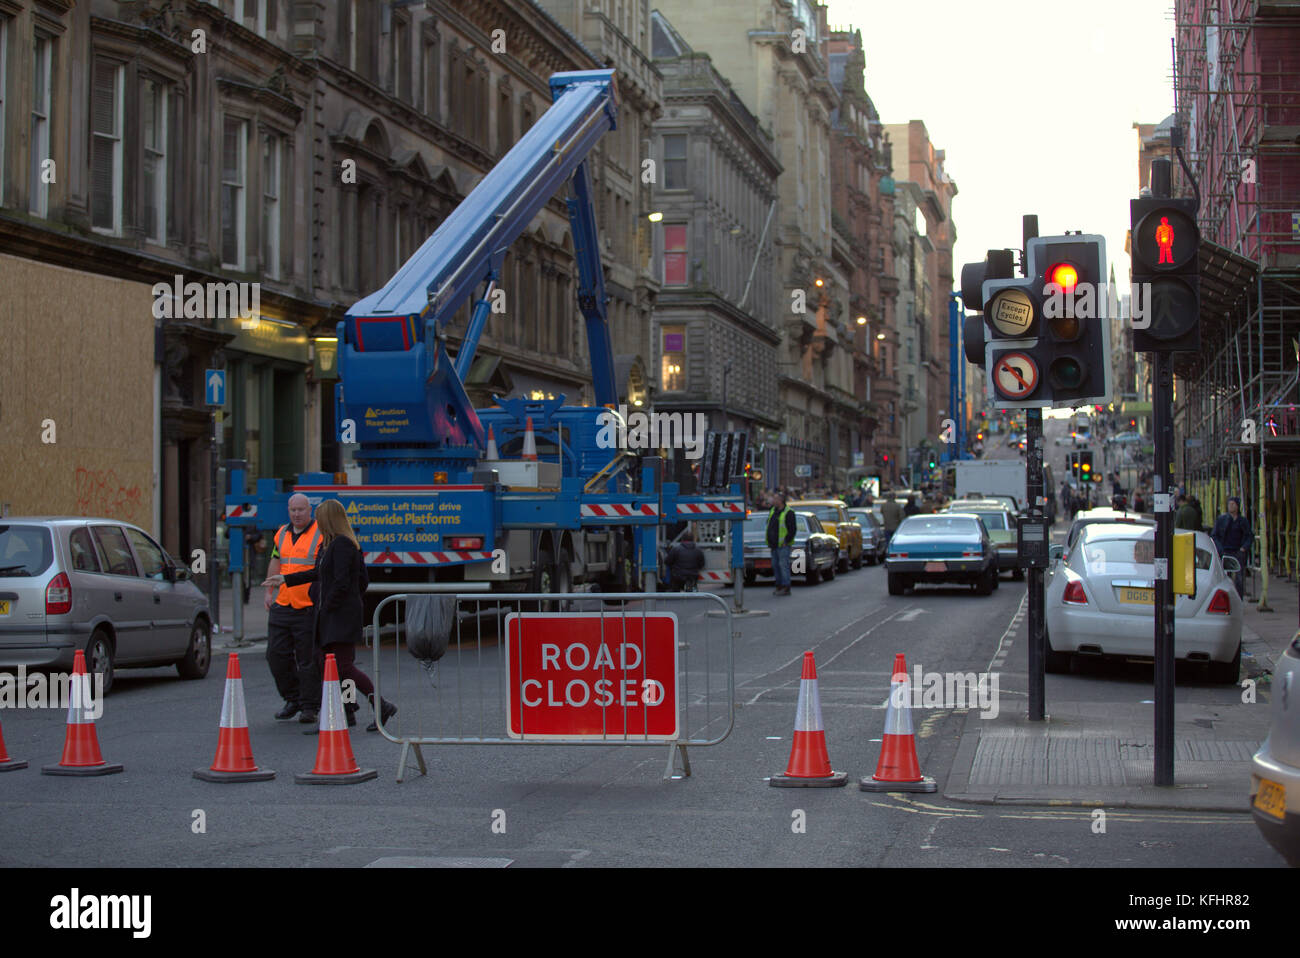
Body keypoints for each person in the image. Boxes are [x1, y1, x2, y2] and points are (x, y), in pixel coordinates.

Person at [263, 499, 397, 733]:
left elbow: (344, 582)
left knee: (342, 667)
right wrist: (285, 579)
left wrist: (327, 607)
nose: (318, 522)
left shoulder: (343, 545)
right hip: (332, 615)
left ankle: (380, 705)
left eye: (321, 517)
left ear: (329, 520)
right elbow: (319, 573)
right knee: (331, 665)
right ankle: (346, 711)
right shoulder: (329, 545)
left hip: (339, 617)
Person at [264, 494, 323, 724]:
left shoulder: (320, 533)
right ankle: (292, 698)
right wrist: (269, 592)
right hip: (283, 602)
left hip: (307, 605)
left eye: (301, 510)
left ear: (310, 510)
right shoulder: (281, 533)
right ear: (288, 511)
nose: (296, 514)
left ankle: (309, 706)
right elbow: (275, 561)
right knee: (275, 655)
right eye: (293, 510)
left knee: (307, 660)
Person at [1211, 497, 1253, 597]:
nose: (1231, 506)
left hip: (1238, 552)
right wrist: (1220, 549)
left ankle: (1239, 598)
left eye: (1233, 504)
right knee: (1225, 577)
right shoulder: (1222, 519)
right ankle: (1227, 599)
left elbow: (1249, 535)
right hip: (1225, 551)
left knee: (1239, 578)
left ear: (1238, 506)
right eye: (1229, 504)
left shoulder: (1242, 521)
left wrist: (1243, 548)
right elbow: (1214, 535)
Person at [766, 492, 796, 597]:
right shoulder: (773, 511)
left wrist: (786, 541)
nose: (773, 501)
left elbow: (792, 529)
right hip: (774, 545)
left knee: (783, 565)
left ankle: (785, 586)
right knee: (775, 565)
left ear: (781, 501)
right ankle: (779, 585)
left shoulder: (789, 513)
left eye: (775, 499)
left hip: (783, 545)